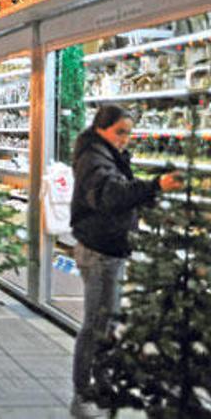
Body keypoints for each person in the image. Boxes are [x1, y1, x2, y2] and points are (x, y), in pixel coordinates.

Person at [68, 104, 183, 418]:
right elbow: (110, 196)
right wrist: (155, 185)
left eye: (129, 133)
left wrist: (149, 199)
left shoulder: (104, 154)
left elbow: (121, 194)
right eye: (120, 132)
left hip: (109, 248)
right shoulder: (94, 158)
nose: (126, 139)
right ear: (101, 128)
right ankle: (83, 395)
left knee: (105, 324)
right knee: (95, 325)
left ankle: (99, 384)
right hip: (100, 250)